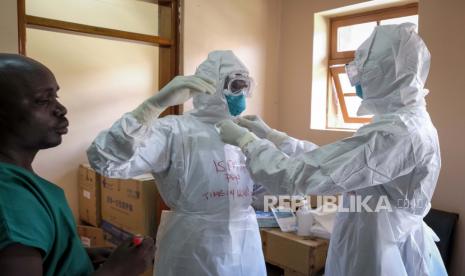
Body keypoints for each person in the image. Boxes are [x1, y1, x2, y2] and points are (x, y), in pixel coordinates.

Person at [218, 23, 447, 275]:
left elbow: (301, 177)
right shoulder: (403, 122)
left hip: (382, 251)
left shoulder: (397, 132)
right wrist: (275, 137)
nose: (355, 80)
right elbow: (334, 161)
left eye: (361, 70)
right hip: (377, 234)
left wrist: (247, 142)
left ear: (384, 74)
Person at [87, 50, 267, 276]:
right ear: (214, 87)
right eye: (235, 86)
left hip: (245, 243)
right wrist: (152, 106)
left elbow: (264, 183)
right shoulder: (173, 130)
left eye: (245, 86)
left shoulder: (246, 133)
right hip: (192, 247)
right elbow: (104, 159)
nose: (241, 93)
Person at [0, 53, 154, 276]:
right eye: (44, 100)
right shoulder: (10, 199)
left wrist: (73, 255)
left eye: (56, 96)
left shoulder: (19, 178)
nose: (61, 109)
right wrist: (116, 271)